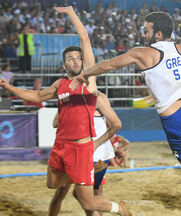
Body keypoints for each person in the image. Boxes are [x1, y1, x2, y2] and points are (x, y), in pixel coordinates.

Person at [71, 11, 181, 212]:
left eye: (146, 30)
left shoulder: (142, 53)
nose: (143, 34)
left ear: (157, 34)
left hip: (175, 118)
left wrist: (84, 75)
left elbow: (107, 65)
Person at [0, 6, 130, 215]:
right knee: (52, 184)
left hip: (80, 148)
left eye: (78, 58)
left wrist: (71, 13)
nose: (76, 60)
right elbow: (37, 96)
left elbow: (85, 39)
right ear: (64, 64)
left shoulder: (89, 82)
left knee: (88, 203)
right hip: (61, 145)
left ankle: (119, 208)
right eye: (71, 58)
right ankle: (78, 173)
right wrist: (9, 87)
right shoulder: (59, 84)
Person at [49, 92, 121, 216]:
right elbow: (111, 125)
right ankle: (120, 209)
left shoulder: (71, 98)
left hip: (83, 153)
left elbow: (56, 123)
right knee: (93, 198)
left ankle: (120, 209)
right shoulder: (100, 98)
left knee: (66, 194)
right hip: (98, 154)